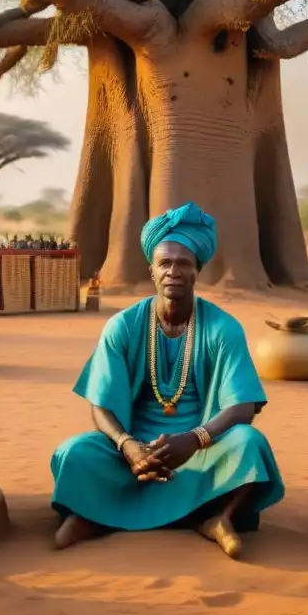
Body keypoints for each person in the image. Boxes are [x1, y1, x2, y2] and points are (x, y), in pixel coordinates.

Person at [50, 202, 285, 558]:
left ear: (197, 271)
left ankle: (219, 518)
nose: (173, 271)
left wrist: (194, 439)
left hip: (201, 449)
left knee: (250, 443)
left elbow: (244, 406)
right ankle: (92, 518)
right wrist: (129, 446)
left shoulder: (223, 328)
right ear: (152, 270)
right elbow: (99, 403)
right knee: (75, 452)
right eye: (165, 263)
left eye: (183, 263)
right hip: (132, 451)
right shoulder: (124, 326)